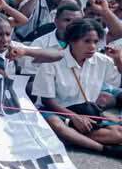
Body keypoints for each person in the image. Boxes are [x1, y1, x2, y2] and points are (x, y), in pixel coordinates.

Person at [33, 18, 122, 156]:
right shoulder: (52, 60)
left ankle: (71, 138)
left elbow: (118, 82)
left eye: (95, 42)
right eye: (87, 41)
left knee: (118, 134)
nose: (92, 46)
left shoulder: (102, 60)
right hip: (56, 111)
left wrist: (118, 59)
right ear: (72, 41)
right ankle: (105, 149)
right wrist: (74, 117)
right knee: (56, 125)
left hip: (86, 111)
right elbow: (47, 101)